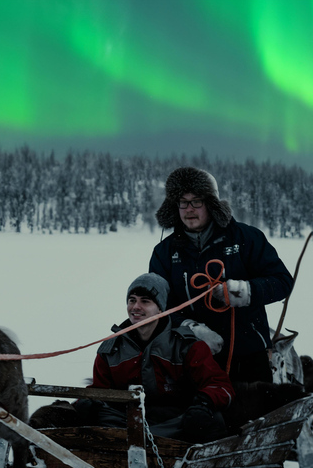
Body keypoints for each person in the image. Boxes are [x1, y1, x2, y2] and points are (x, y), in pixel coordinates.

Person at [149, 166, 294, 383]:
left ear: (211, 203)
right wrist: (191, 329)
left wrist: (243, 292)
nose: (189, 209)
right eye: (183, 202)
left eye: (196, 201)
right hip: (192, 358)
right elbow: (158, 307)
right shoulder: (164, 252)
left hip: (249, 357)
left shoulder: (247, 238)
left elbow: (282, 282)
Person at [74, 273, 234, 443]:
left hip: (174, 423)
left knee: (211, 419)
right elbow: (100, 392)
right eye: (132, 300)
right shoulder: (111, 349)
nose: (136, 306)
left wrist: (203, 404)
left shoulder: (187, 346)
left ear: (160, 308)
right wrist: (86, 402)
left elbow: (220, 386)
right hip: (124, 422)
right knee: (84, 414)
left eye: (145, 301)